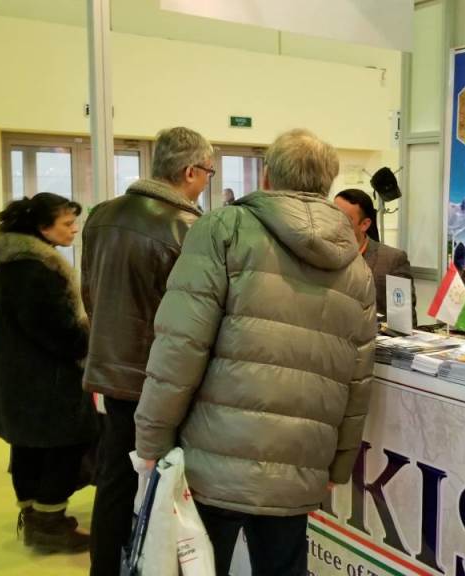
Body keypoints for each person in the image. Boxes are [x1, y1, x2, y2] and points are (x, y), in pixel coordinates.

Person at [134, 128, 376, 576]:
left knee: (196, 566)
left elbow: (180, 346)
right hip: (298, 462)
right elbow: (358, 378)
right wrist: (339, 465)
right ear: (327, 183)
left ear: (267, 177)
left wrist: (151, 439)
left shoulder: (222, 229)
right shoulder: (356, 265)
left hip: (211, 459)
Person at [80, 126, 213, 575]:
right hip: (162, 377)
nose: (207, 182)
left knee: (115, 482)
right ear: (190, 171)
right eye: (208, 173)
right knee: (171, 486)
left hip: (111, 370)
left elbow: (89, 292)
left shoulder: (101, 215)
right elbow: (192, 315)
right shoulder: (188, 229)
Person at [0, 192, 97, 554]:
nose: (74, 229)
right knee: (64, 445)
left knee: (27, 446)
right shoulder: (35, 271)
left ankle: (35, 517)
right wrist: (90, 337)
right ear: (43, 228)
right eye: (67, 223)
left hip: (19, 375)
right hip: (45, 380)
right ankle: (49, 523)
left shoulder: (13, 264)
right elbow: (58, 332)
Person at [334, 188, 416, 323]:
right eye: (332, 215)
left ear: (364, 224)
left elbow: (402, 320)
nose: (336, 224)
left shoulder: (391, 260)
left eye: (345, 219)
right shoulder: (319, 255)